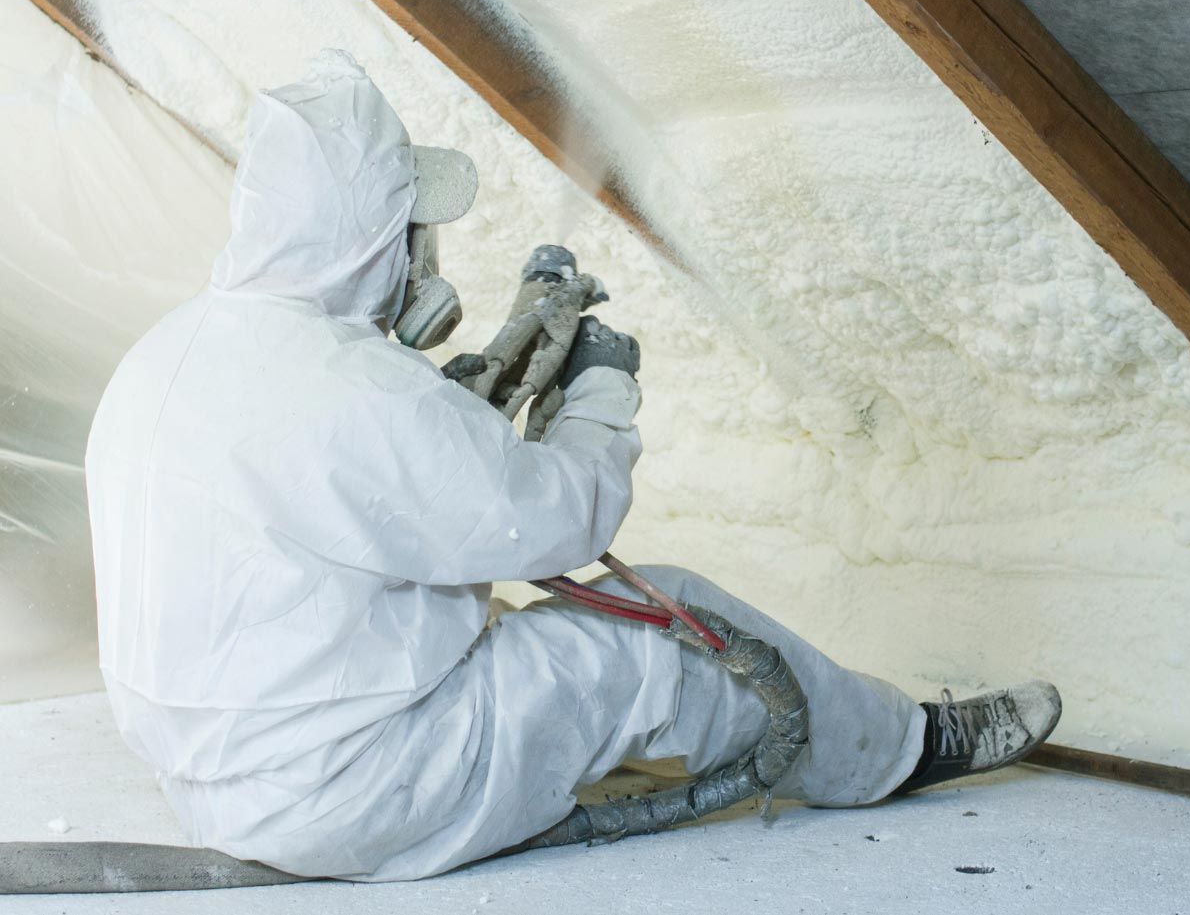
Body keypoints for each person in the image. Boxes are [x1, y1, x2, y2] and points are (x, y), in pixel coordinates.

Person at [85, 51, 1061, 882]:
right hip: (357, 789)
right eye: (409, 228)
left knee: (523, 637)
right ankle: (903, 750)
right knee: (671, 624)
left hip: (210, 781)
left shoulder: (169, 355)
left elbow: (338, 495)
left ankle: (875, 740)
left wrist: (451, 406)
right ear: (371, 235)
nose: (419, 252)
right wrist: (599, 397)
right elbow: (558, 522)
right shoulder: (360, 393)